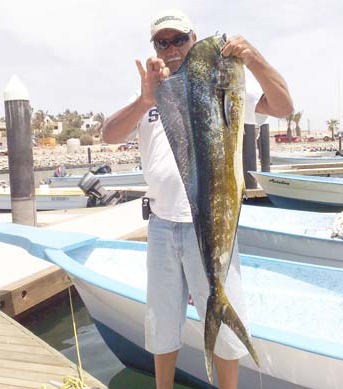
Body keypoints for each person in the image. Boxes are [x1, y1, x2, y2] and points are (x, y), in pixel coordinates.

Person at [103, 9, 293, 389]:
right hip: (161, 224)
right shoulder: (148, 92)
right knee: (161, 322)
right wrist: (144, 99)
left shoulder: (222, 83)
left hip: (212, 223)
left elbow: (284, 107)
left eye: (179, 40)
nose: (172, 49)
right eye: (163, 42)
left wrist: (253, 59)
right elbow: (109, 134)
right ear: (155, 47)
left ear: (193, 39)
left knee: (224, 322)